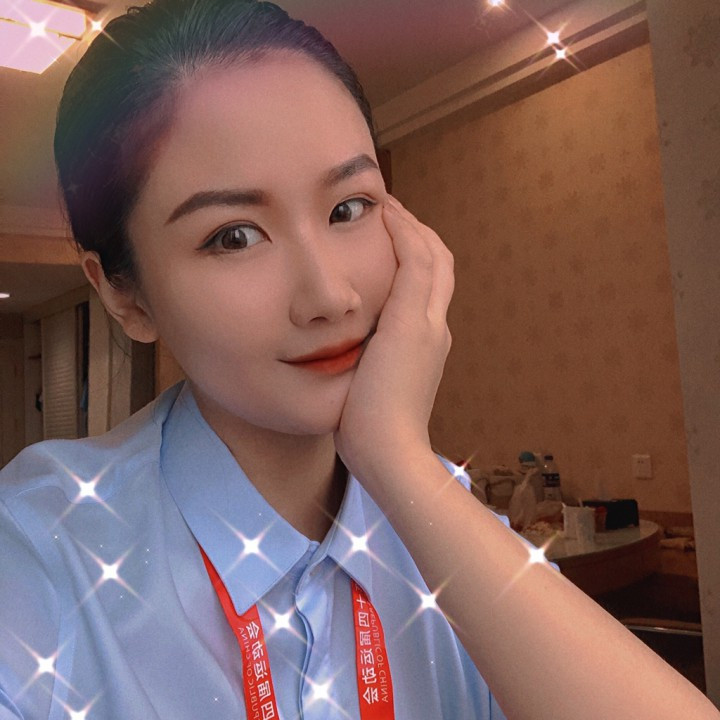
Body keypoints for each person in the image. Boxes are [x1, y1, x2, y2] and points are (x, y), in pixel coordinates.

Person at [0, 0, 717, 718]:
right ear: (123, 295)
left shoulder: (441, 513)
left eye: (348, 208)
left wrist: (397, 460)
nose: (330, 296)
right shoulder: (38, 553)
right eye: (234, 236)